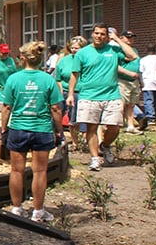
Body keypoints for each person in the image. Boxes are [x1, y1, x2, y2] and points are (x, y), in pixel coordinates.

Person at [1, 41, 63, 222]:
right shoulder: (47, 79)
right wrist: (59, 131)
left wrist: (4, 129)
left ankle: (17, 208)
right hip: (41, 129)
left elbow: (6, 108)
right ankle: (38, 210)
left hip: (19, 128)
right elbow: (56, 109)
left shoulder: (13, 79)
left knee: (16, 171)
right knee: (40, 171)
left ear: (22, 58)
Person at [67, 23, 138, 171]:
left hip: (111, 95)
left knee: (115, 127)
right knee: (91, 128)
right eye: (96, 33)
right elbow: (75, 74)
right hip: (89, 95)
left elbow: (132, 56)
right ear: (92, 34)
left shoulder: (113, 50)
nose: (99, 36)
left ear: (107, 36)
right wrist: (70, 94)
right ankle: (95, 158)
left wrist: (117, 40)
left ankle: (105, 145)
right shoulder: (83, 53)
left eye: (102, 34)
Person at [55, 36, 88, 145]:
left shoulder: (86, 60)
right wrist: (60, 90)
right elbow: (58, 77)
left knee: (79, 118)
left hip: (81, 92)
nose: (74, 50)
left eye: (77, 48)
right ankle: (67, 139)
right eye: (72, 48)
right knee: (59, 115)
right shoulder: (64, 61)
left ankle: (82, 141)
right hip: (64, 91)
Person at [117, 30, 143, 135]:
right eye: (128, 37)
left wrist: (140, 80)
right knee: (121, 105)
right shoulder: (118, 51)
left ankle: (130, 126)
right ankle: (116, 126)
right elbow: (115, 66)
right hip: (123, 81)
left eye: (132, 37)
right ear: (121, 38)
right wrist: (128, 73)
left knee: (131, 105)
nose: (130, 39)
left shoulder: (134, 50)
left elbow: (137, 65)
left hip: (134, 81)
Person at [138, 44, 156, 126]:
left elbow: (140, 71)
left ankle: (151, 117)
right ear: (155, 49)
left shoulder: (143, 60)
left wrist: (141, 82)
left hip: (147, 81)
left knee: (148, 100)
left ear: (146, 49)